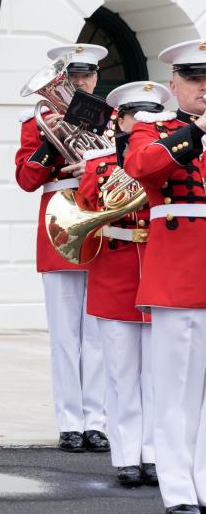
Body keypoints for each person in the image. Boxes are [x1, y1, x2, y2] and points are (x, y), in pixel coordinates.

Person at [123, 40, 206, 514]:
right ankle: (178, 490)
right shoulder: (153, 128)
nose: (204, 89)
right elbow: (143, 168)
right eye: (195, 80)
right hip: (178, 269)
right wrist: (196, 130)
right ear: (173, 84)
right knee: (175, 391)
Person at [14, 43, 108, 452]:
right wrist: (52, 144)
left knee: (99, 334)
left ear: (96, 78)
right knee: (65, 335)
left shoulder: (112, 121)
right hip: (60, 222)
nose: (81, 82)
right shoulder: (37, 121)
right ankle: (71, 420)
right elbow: (25, 178)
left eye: (87, 75)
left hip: (103, 224)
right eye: (74, 75)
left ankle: (98, 420)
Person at [79, 81, 168, 488]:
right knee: (120, 372)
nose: (141, 120)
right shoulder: (99, 164)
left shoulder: (164, 159)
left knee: (155, 374)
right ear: (121, 119)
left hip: (156, 270)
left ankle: (153, 453)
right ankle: (127, 455)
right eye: (135, 114)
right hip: (113, 272)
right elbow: (85, 210)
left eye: (150, 113)